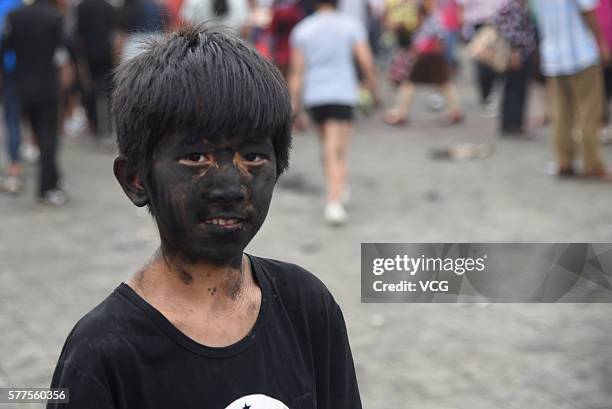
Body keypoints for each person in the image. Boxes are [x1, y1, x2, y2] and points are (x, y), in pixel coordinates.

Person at [47, 25, 362, 408]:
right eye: (196, 157)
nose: (231, 186)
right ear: (135, 179)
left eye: (253, 157)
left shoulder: (306, 307)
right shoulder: (102, 355)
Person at [289, 0, 378, 225]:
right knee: (337, 151)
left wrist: (294, 104)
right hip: (342, 94)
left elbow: (297, 71)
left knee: (327, 147)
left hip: (315, 96)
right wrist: (372, 87)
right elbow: (366, 61)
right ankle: (334, 200)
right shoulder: (351, 25)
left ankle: (338, 186)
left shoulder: (302, 29)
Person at [1, 0, 69, 205]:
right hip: (48, 86)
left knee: (40, 136)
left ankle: (54, 179)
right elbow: (65, 48)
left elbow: (4, 47)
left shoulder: (16, 16)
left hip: (23, 86)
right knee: (49, 139)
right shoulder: (55, 16)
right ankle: (47, 188)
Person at [534, 0, 610, 179]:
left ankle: (564, 161)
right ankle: (591, 163)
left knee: (561, 112)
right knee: (590, 111)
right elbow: (587, 10)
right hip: (581, 52)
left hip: (553, 55)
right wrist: (601, 42)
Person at [383, 0, 463, 126]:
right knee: (442, 83)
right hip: (431, 53)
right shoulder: (429, 14)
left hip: (428, 53)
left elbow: (434, 34)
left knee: (411, 83)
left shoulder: (431, 15)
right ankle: (455, 111)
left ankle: (402, 113)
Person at [76, 0, 117, 141]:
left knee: (89, 89)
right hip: (106, 54)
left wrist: (80, 58)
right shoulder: (108, 7)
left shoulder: (82, 7)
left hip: (88, 54)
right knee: (107, 90)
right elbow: (114, 33)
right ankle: (107, 127)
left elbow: (79, 34)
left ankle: (94, 125)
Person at [494, 0, 537, 136]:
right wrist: (515, 53)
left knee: (513, 88)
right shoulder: (511, 7)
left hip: (521, 53)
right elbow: (510, 32)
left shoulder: (513, 5)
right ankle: (514, 124)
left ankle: (510, 123)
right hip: (518, 55)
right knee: (516, 89)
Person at [457, 0, 503, 116]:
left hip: (496, 24)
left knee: (495, 60)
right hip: (478, 25)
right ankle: (485, 95)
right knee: (482, 62)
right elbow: (462, 7)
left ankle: (489, 94)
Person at [0, 0, 23, 194]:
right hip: (25, 71)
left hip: (11, 71)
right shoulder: (19, 5)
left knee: (12, 119)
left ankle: (15, 166)